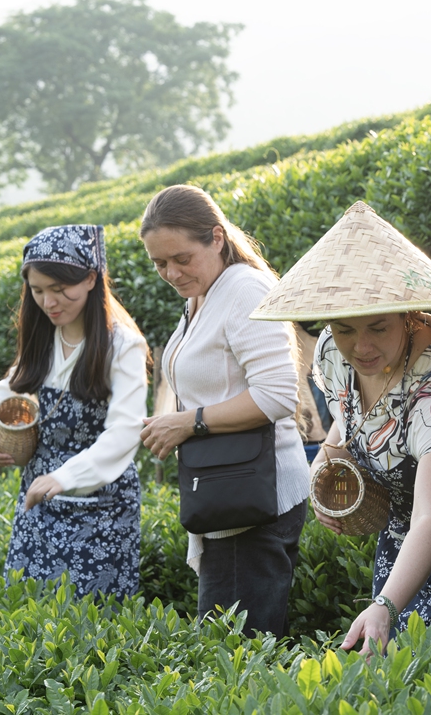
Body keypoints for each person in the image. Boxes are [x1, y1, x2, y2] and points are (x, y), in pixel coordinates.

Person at [251, 201, 431, 655]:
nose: (362, 346)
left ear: (409, 315)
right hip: (403, 529)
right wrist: (329, 470)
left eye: (377, 327)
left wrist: (385, 606)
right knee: (387, 666)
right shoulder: (334, 350)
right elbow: (348, 416)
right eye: (346, 328)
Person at [137, 184, 308, 636]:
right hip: (227, 496)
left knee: (235, 657)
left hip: (253, 500)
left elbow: (276, 396)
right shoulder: (203, 294)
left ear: (216, 238)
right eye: (159, 264)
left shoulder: (243, 289)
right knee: (231, 656)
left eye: (181, 258)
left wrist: (189, 424)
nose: (171, 273)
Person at [0, 224, 149, 599]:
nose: (49, 302)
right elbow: (9, 390)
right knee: (29, 612)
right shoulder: (44, 337)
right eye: (37, 291)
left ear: (89, 278)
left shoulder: (123, 346)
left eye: (58, 289)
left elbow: (125, 430)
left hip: (102, 499)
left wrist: (66, 476)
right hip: (39, 495)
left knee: (96, 620)